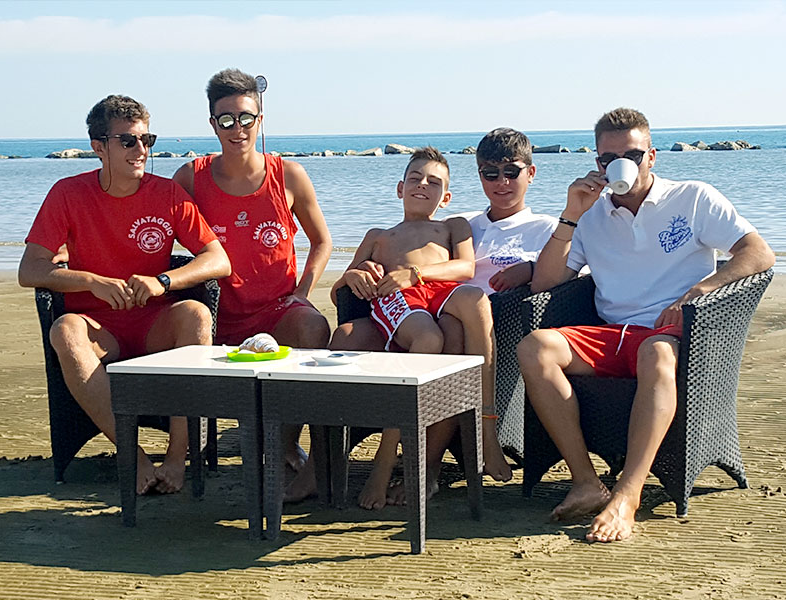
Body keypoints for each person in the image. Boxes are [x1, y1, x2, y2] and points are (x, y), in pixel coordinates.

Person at [517, 107, 775, 542]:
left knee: (654, 352)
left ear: (651, 156)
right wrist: (571, 214)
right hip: (612, 333)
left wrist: (702, 288)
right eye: (609, 158)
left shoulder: (693, 198)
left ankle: (628, 494)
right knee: (534, 346)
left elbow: (758, 253)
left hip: (673, 332)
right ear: (598, 163)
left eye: (633, 155)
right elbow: (545, 283)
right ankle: (585, 481)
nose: (622, 165)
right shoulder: (591, 215)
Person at [290, 128, 555, 505]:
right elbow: (346, 286)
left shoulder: (533, 228)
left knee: (462, 318)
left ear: (530, 173)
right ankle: (334, 462)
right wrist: (354, 275)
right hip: (416, 307)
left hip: (467, 311)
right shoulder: (440, 225)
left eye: (511, 172)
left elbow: (548, 272)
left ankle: (468, 441)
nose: (501, 181)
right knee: (374, 336)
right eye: (490, 173)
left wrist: (528, 270)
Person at [18, 94, 231, 495]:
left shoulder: (167, 194)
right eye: (128, 141)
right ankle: (133, 457)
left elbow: (218, 259)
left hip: (153, 325)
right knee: (64, 330)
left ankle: (176, 458)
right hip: (102, 331)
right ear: (99, 147)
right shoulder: (67, 193)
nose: (142, 150)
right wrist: (91, 281)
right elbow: (30, 270)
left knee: (197, 316)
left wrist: (162, 282)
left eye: (147, 139)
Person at [327, 146, 509, 509]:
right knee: (429, 337)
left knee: (476, 300)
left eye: (434, 182)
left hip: (435, 287)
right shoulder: (380, 235)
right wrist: (354, 274)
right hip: (400, 300)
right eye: (415, 178)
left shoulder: (452, 225)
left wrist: (417, 274)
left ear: (446, 197)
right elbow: (338, 294)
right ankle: (383, 464)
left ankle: (487, 430)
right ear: (399, 188)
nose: (423, 185)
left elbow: (465, 269)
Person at [173, 68, 333, 474]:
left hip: (277, 310)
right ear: (213, 124)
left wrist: (303, 292)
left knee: (315, 329)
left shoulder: (289, 175)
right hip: (217, 316)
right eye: (226, 119)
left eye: (246, 117)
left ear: (259, 119)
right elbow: (154, 231)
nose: (237, 128)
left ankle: (284, 442)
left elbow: (322, 242)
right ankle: (190, 447)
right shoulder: (192, 177)